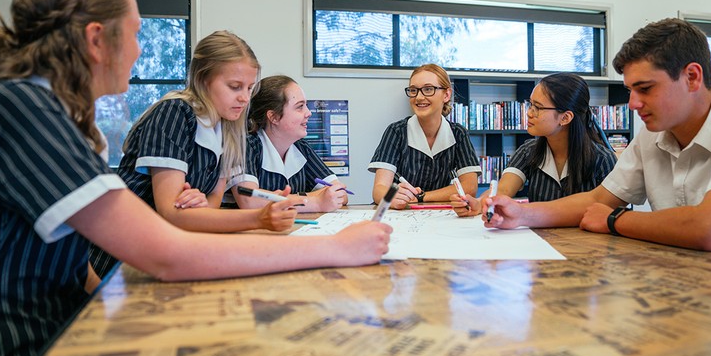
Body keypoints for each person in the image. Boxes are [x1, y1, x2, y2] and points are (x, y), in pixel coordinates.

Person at [0, 0, 391, 356]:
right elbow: (168, 250)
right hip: (20, 348)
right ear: (96, 39)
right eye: (136, 33)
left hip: (60, 327)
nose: (140, 50)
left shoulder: (47, 110)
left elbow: (72, 260)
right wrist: (336, 249)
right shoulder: (23, 110)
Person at [476, 18, 711, 257]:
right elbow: (597, 200)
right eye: (630, 90)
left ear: (692, 77)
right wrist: (520, 214)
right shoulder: (653, 136)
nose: (633, 103)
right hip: (687, 278)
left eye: (645, 89)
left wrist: (614, 220)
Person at [88, 31, 298, 278]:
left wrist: (198, 207)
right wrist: (258, 218)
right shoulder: (175, 113)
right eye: (234, 86)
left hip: (165, 253)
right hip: (121, 258)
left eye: (249, 88)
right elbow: (172, 213)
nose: (244, 97)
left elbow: (211, 205)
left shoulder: (228, 129)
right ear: (203, 79)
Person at [452, 73, 617, 216]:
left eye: (538, 107)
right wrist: (479, 203)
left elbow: (610, 212)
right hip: (540, 241)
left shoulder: (603, 159)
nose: (529, 113)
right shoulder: (528, 151)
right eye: (531, 104)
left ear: (565, 118)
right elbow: (503, 190)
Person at [369, 63, 481, 209]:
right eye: (413, 90)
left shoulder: (458, 133)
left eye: (428, 89)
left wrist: (421, 197)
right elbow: (379, 190)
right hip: (401, 212)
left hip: (436, 214)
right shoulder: (396, 131)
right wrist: (391, 197)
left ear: (446, 95)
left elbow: (470, 187)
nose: (419, 97)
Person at [233, 75, 349, 212]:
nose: (309, 113)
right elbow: (249, 200)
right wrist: (316, 201)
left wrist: (317, 198)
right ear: (273, 117)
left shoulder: (301, 147)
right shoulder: (246, 146)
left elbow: (341, 194)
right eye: (300, 107)